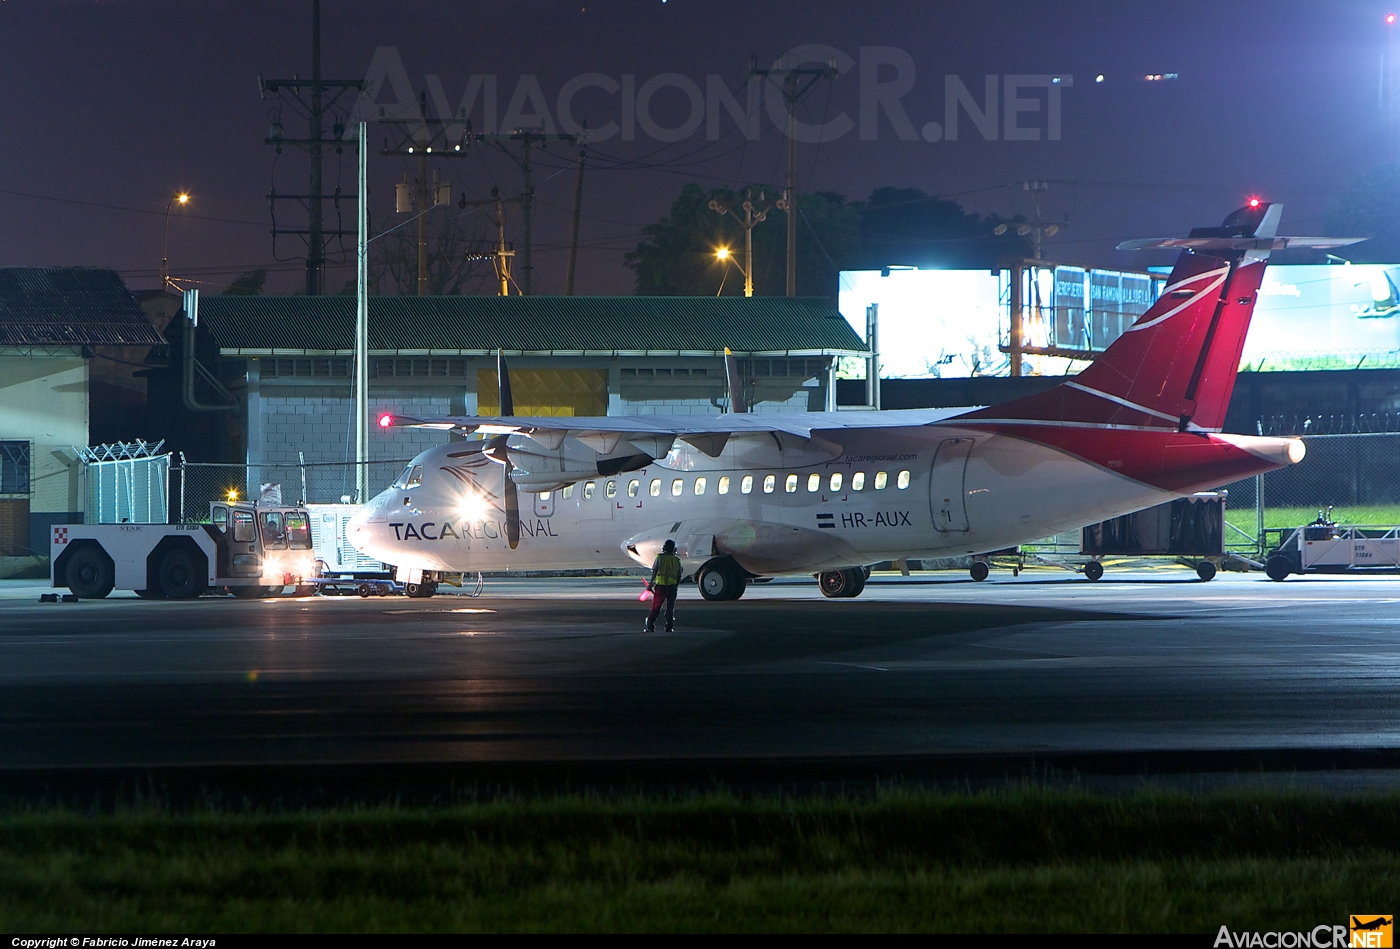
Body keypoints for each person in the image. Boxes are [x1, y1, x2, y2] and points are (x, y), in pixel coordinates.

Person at [645, 539, 682, 633]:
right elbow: (679, 574)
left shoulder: (659, 558)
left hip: (661, 586)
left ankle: (650, 626)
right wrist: (676, 585)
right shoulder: (677, 560)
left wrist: (650, 584)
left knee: (655, 607)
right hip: (672, 587)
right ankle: (669, 627)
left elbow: (655, 571)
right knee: (670, 607)